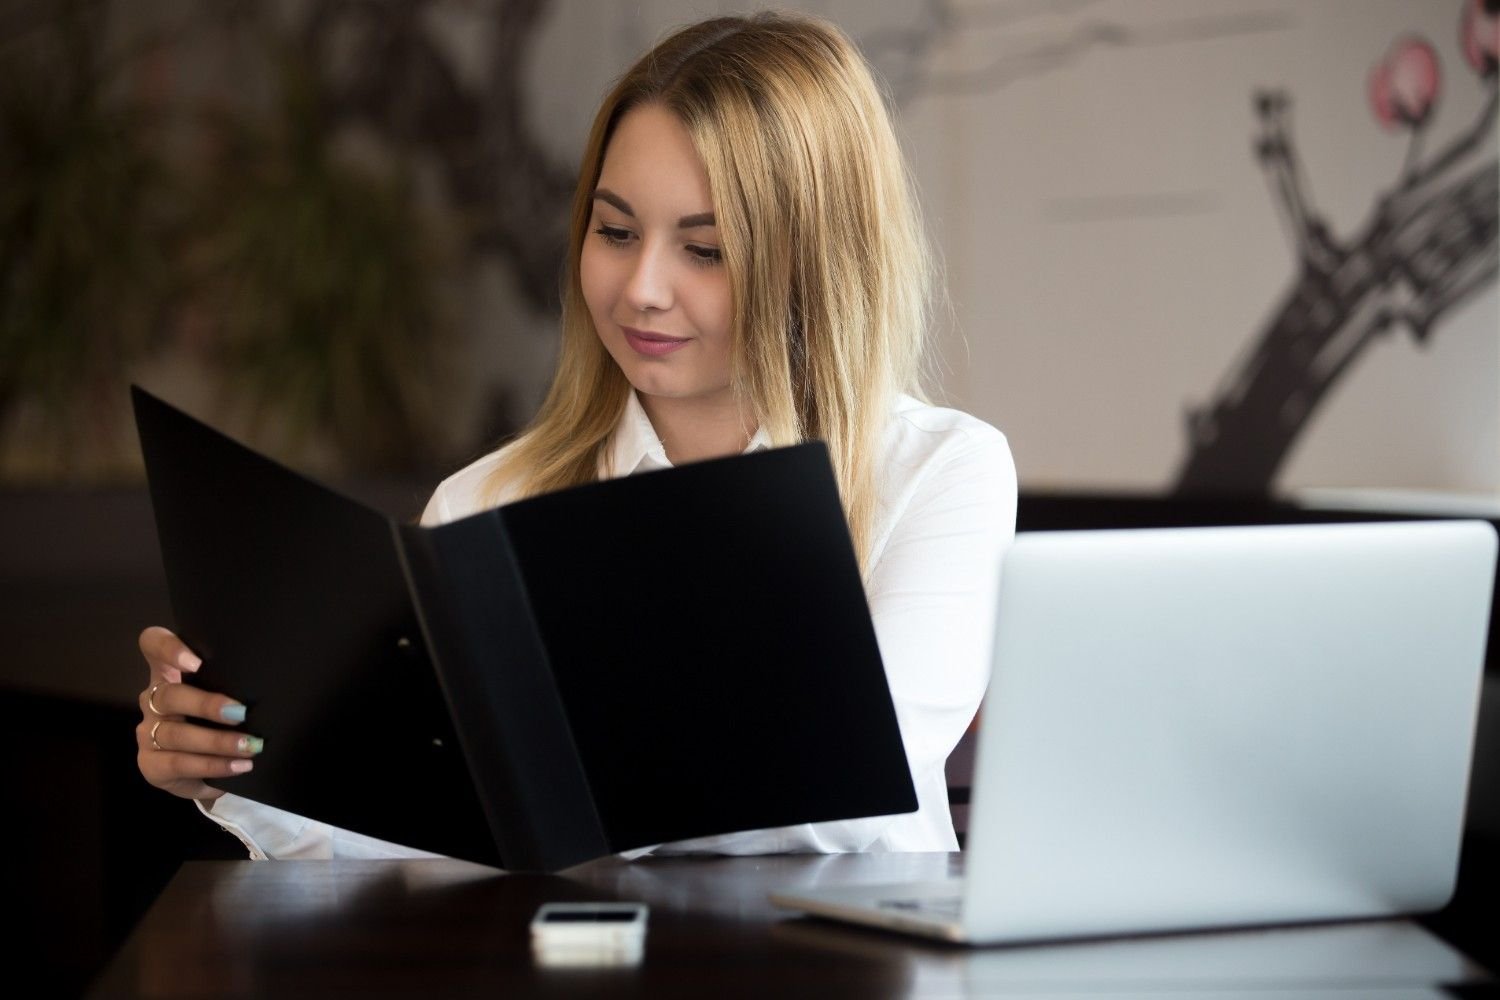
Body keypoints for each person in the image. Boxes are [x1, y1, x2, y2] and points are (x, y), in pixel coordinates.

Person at [136, 10, 1017, 861]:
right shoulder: (490, 504)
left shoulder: (939, 474)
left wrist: (551, 800)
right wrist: (239, 767)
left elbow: (851, 801)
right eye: (615, 231)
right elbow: (411, 834)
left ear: (816, 259)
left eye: (704, 249)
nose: (640, 288)